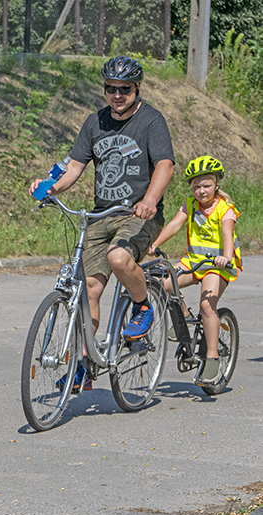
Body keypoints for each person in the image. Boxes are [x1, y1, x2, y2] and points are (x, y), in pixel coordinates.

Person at [29, 56, 175, 392]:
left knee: (119, 258)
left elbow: (165, 165)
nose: (117, 95)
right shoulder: (94, 122)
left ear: (136, 89)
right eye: (111, 89)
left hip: (138, 215)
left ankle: (142, 306)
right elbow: (75, 168)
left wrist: (150, 200)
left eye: (124, 89)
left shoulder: (152, 121)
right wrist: (48, 187)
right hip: (101, 215)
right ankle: (85, 364)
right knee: (89, 290)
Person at [147, 155, 242, 384]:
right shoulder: (190, 205)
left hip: (218, 265)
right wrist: (156, 244)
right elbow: (174, 224)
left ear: (216, 185)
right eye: (196, 186)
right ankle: (183, 319)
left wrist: (226, 257)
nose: (201, 191)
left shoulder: (224, 209)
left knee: (207, 305)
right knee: (163, 283)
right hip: (193, 261)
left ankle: (212, 357)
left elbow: (228, 234)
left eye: (206, 185)